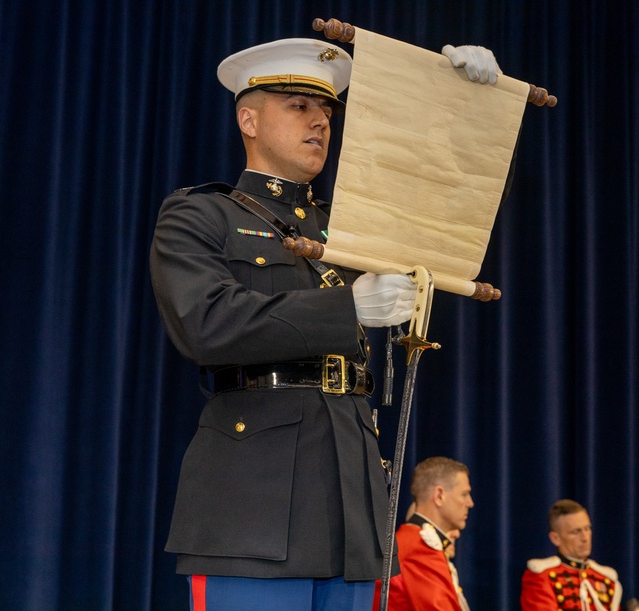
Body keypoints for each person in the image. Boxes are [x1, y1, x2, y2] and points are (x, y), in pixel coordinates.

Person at [149, 36, 501, 611]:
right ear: (249, 119)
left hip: (352, 501)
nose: (320, 122)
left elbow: (452, 211)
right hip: (253, 509)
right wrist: (348, 309)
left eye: (328, 112)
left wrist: (463, 108)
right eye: (299, 106)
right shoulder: (199, 213)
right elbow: (203, 323)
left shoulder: (352, 227)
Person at [374, 457, 475, 611]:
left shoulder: (410, 540)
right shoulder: (420, 549)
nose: (470, 503)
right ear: (439, 495)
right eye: (464, 494)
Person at [521, 499, 622, 611]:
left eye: (587, 529)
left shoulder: (605, 578)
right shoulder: (542, 577)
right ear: (556, 538)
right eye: (576, 532)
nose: (585, 538)